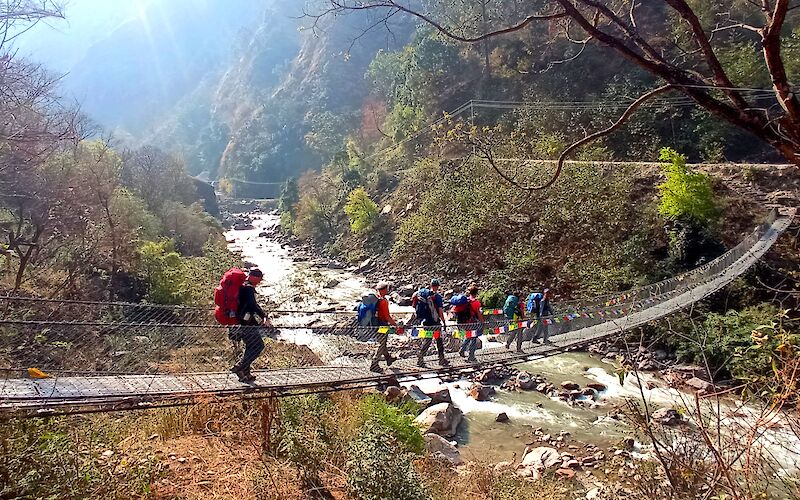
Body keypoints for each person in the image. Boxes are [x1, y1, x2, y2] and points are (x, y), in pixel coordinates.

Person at [230, 268, 271, 382]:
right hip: (247, 322)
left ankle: (246, 374)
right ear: (254, 277)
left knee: (251, 345)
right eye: (260, 279)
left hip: (241, 321)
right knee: (258, 346)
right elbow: (253, 305)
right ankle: (240, 367)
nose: (260, 281)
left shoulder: (243, 286)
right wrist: (264, 316)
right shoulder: (248, 288)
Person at [413, 278, 450, 368]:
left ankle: (420, 358)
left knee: (428, 340)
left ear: (430, 285)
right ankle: (441, 359)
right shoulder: (437, 297)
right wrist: (444, 322)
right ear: (437, 286)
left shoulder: (424, 296)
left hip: (426, 322)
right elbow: (440, 311)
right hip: (435, 323)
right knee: (439, 340)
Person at [369, 281, 398, 373]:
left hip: (375, 324)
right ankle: (374, 364)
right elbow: (387, 316)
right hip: (382, 325)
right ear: (385, 289)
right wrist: (396, 325)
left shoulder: (376, 298)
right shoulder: (383, 301)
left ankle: (388, 358)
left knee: (382, 342)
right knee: (381, 344)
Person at [456, 283, 483, 362]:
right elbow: (478, 313)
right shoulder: (476, 302)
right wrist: (482, 322)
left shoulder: (466, 301)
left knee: (469, 336)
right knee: (473, 338)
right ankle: (471, 356)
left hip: (463, 323)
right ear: (476, 293)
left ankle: (462, 350)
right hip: (472, 323)